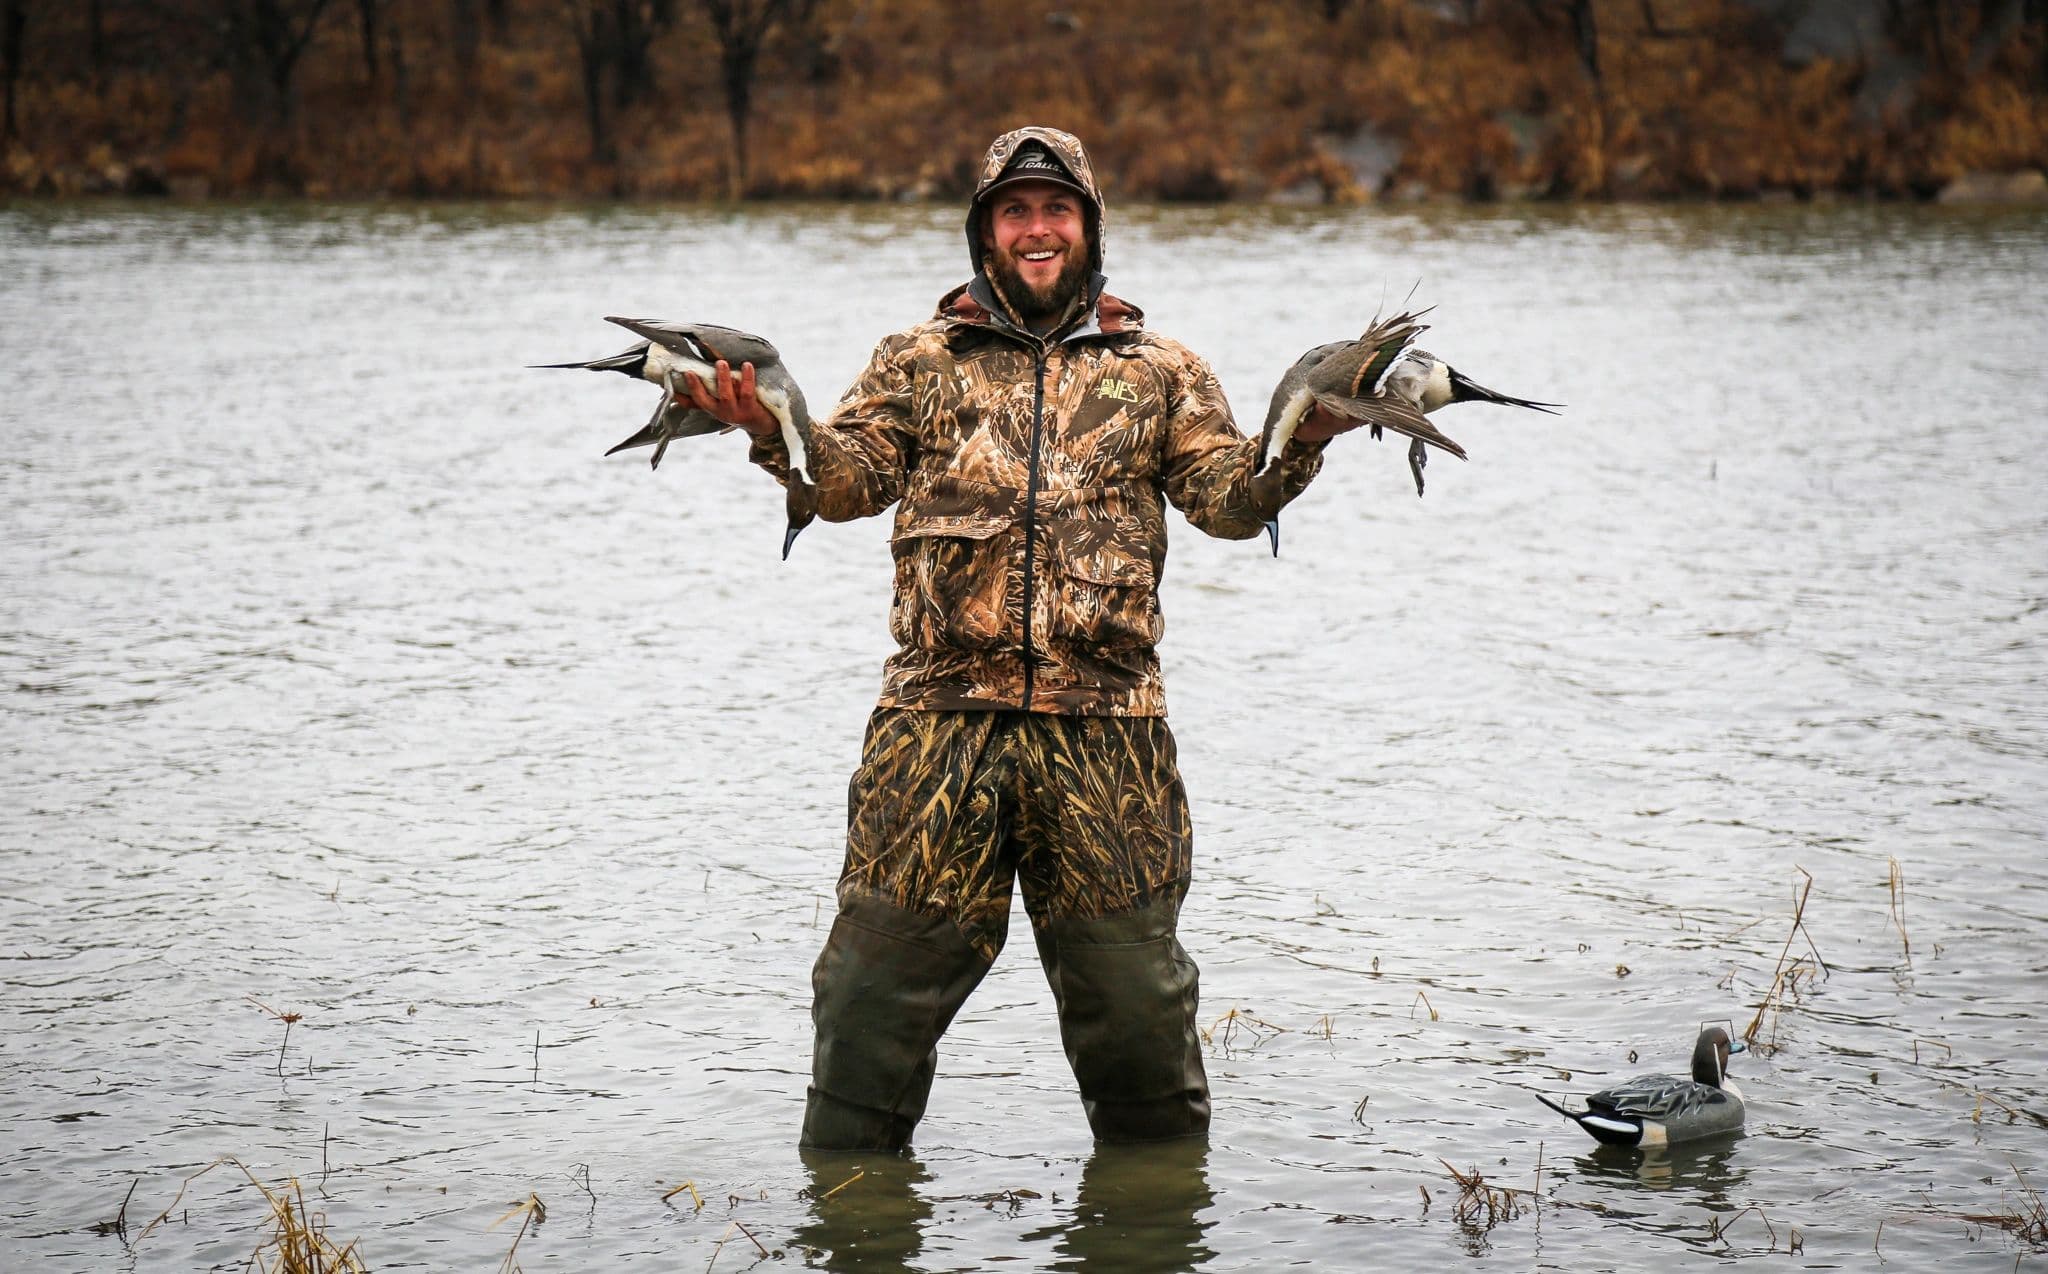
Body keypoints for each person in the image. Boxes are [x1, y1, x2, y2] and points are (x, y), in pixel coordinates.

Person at [677, 126, 1353, 1150]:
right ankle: (849, 1208)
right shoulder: (915, 360)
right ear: (984, 232)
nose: (1037, 229)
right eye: (1015, 212)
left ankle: (1152, 1216)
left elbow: (1226, 499)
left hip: (1109, 731)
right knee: (867, 1002)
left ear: (1088, 227)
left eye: (1056, 210)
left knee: (1137, 1014)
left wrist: (1303, 439)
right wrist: (771, 431)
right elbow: (844, 481)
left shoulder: (1161, 370)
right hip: (934, 726)